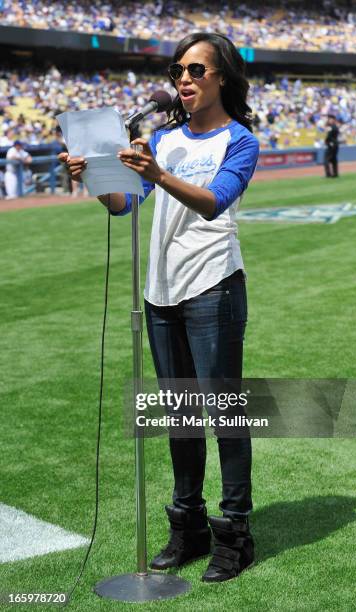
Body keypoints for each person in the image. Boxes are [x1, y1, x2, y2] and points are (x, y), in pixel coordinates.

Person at [59, 32, 259, 583]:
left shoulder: (239, 140)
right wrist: (96, 182)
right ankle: (189, 526)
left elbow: (215, 202)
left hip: (213, 287)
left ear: (222, 77)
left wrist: (158, 174)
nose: (185, 81)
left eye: (196, 70)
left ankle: (236, 534)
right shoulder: (165, 138)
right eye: (178, 72)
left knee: (223, 416)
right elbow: (126, 206)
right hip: (161, 292)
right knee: (180, 418)